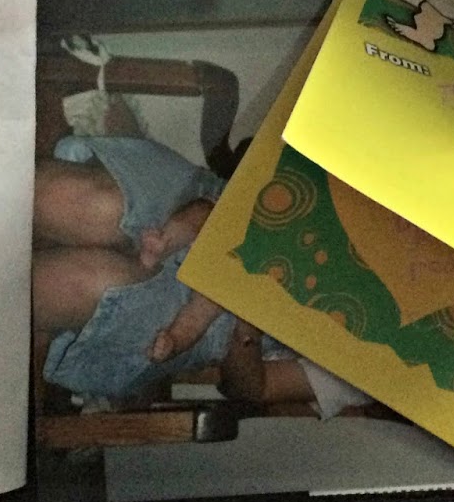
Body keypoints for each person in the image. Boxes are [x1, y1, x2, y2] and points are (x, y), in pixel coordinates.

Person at [32, 134, 368, 417]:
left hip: (223, 320)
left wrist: (246, 321)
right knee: (84, 203)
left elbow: (256, 387)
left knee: (82, 284)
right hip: (230, 213)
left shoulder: (384, 370)